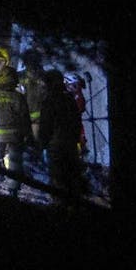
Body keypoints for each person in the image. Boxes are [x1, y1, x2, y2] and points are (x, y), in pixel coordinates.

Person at [38, 69, 87, 207]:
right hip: (70, 144)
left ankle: (59, 206)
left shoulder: (49, 101)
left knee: (58, 177)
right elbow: (77, 122)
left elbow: (45, 126)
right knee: (71, 176)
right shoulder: (69, 99)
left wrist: (42, 144)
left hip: (56, 146)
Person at [0, 68, 31, 197]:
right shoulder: (18, 97)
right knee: (15, 160)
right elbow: (24, 118)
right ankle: (13, 188)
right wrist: (27, 134)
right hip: (15, 135)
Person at [63, 72, 89, 157]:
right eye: (73, 85)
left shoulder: (77, 95)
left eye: (76, 85)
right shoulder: (65, 96)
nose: (75, 88)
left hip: (76, 127)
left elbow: (81, 107)